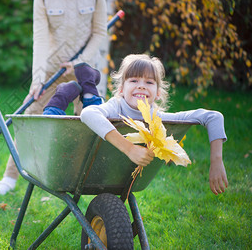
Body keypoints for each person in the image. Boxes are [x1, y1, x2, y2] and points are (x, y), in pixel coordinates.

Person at [0, 0, 108, 195]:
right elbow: (40, 40)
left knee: (85, 125)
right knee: (31, 117)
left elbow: (99, 33)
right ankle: (9, 179)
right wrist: (38, 78)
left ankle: (72, 183)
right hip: (52, 68)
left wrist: (80, 62)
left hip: (85, 71)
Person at [80, 54, 229, 195]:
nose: (141, 86)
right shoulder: (115, 106)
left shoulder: (156, 118)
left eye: (149, 82)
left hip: (114, 171)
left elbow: (213, 117)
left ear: (158, 93)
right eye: (134, 81)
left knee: (92, 98)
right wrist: (130, 149)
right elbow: (88, 114)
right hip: (94, 146)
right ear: (121, 90)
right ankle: (84, 81)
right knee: (91, 99)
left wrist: (216, 161)